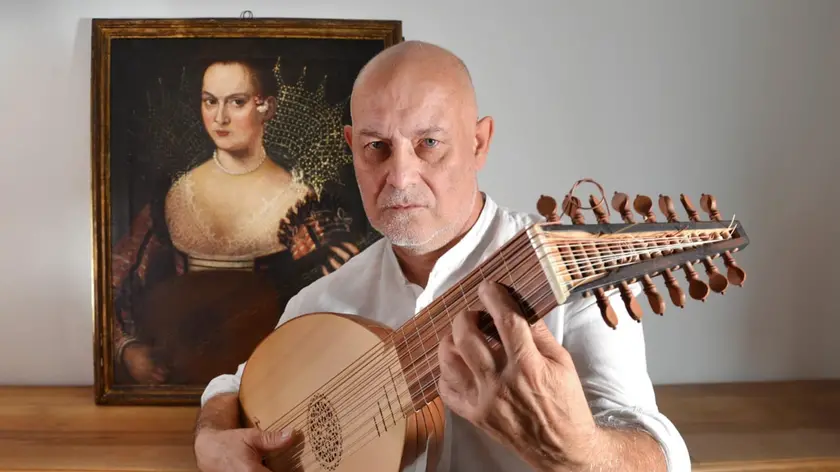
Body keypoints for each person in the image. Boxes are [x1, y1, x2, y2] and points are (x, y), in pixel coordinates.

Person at [193, 41, 692, 471]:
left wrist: (576, 452)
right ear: (352, 149)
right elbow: (235, 386)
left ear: (479, 143)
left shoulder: (565, 270)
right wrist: (210, 437)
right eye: (376, 147)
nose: (400, 176)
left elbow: (656, 450)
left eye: (429, 143)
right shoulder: (320, 305)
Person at [112, 56, 363, 385]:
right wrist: (127, 350)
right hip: (182, 378)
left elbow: (337, 309)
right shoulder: (174, 196)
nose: (220, 118)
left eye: (237, 102)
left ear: (267, 108)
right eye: (210, 101)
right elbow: (115, 281)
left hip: (271, 382)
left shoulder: (302, 205)